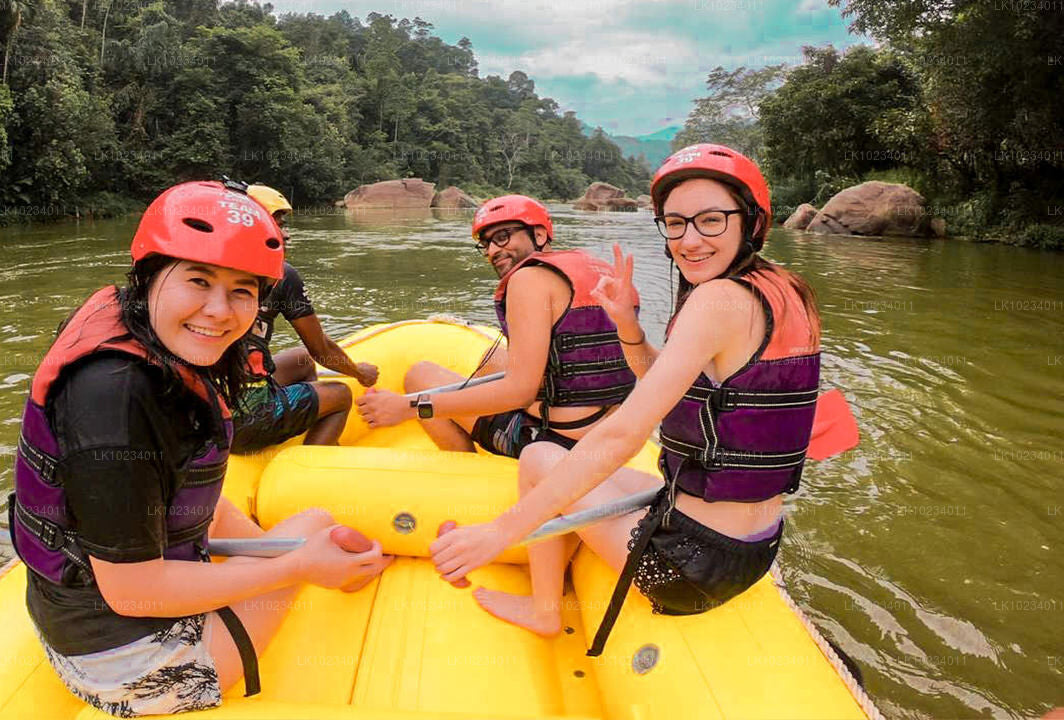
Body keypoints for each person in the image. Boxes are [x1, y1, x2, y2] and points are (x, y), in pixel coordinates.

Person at [8, 181, 391, 716]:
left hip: (80, 620)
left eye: (241, 291)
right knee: (314, 528)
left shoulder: (139, 333)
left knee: (308, 532)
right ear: (150, 274)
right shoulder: (116, 397)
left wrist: (273, 551)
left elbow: (188, 489)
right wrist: (299, 566)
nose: (219, 311)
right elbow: (133, 592)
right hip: (129, 663)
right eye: (198, 280)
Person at [428, 145, 822, 655]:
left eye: (710, 220)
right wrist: (627, 327)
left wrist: (499, 533)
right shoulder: (789, 290)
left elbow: (622, 435)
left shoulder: (716, 299)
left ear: (751, 221)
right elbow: (669, 383)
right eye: (676, 224)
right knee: (563, 463)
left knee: (540, 454)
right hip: (753, 549)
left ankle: (545, 610)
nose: (689, 240)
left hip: (688, 566)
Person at [356, 195, 639, 458]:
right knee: (491, 363)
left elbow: (520, 392)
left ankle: (467, 469)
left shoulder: (527, 279)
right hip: (610, 431)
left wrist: (409, 407)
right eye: (486, 244)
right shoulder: (598, 269)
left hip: (554, 440)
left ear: (539, 234)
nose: (493, 251)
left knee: (420, 375)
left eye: (503, 237)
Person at [229, 183, 378, 453]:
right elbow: (321, 349)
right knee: (342, 395)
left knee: (302, 360)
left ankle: (307, 419)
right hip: (243, 421)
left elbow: (312, 353)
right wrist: (359, 373)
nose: (286, 235)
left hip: (207, 410)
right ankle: (312, 460)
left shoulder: (206, 272)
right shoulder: (282, 276)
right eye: (278, 225)